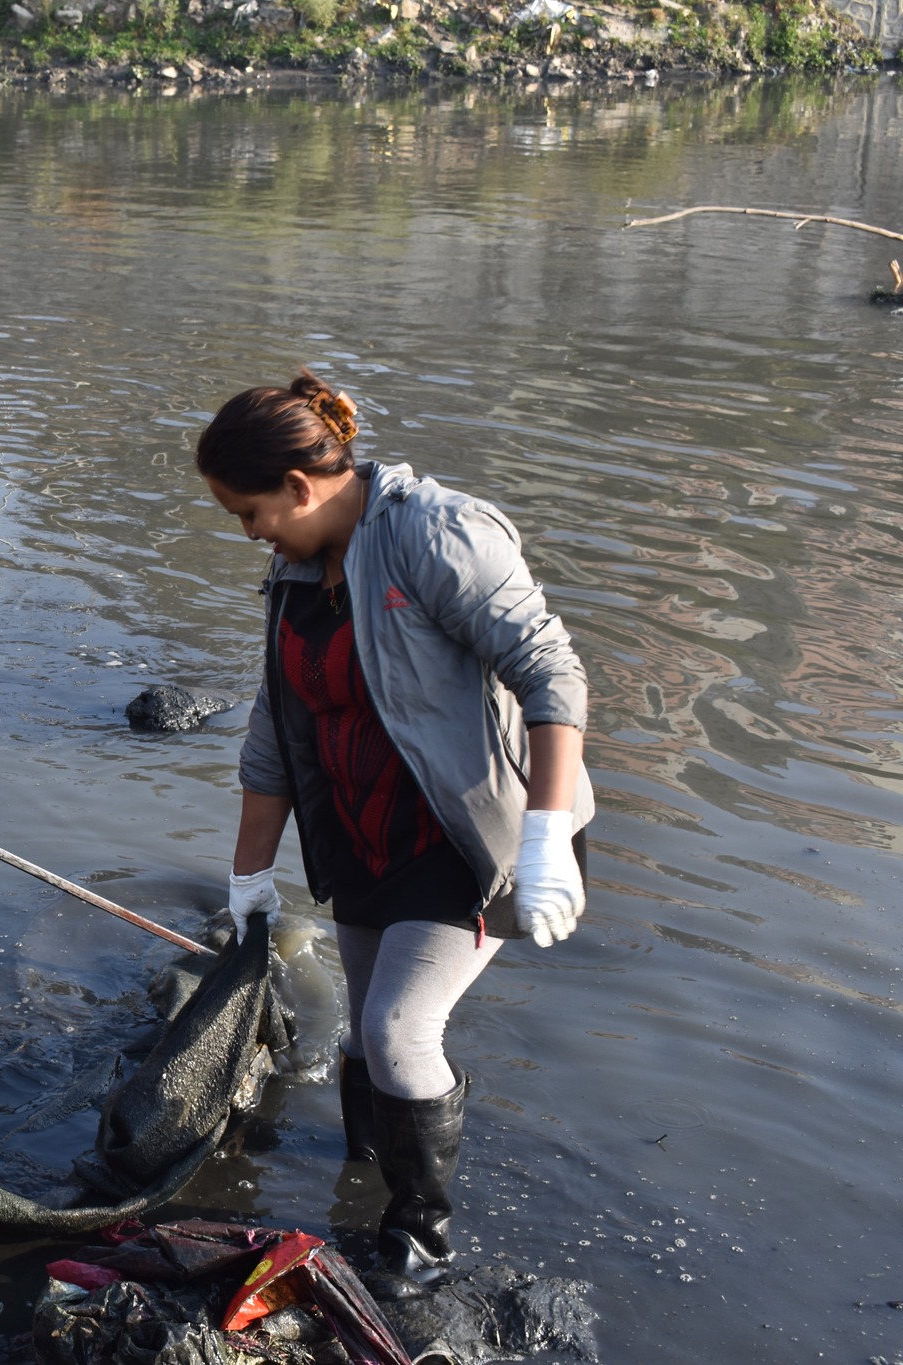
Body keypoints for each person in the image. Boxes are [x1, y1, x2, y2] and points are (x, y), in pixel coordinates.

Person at [197, 372, 593, 1296]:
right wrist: (248, 879)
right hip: (364, 835)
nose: (247, 532)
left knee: (402, 1028)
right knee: (362, 1043)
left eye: (249, 511)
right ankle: (358, 1185)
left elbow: (554, 675)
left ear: (300, 486)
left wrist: (543, 837)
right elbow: (274, 730)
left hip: (472, 838)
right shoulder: (296, 568)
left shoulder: (435, 533)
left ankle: (421, 1240)